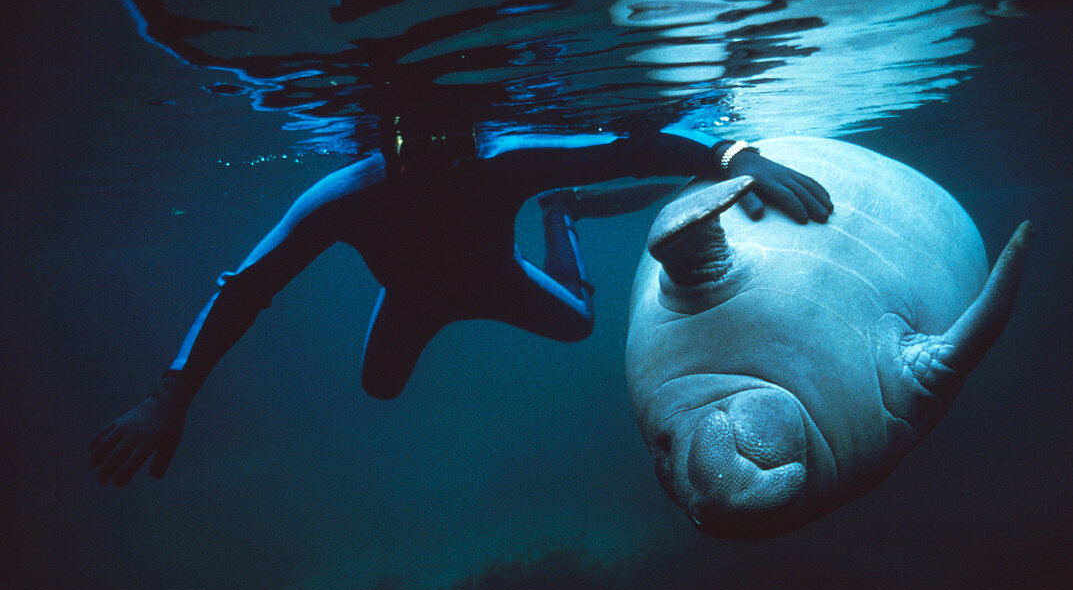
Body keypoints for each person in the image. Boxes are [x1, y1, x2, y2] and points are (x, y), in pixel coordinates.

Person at [88, 118, 832, 486]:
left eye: (450, 135)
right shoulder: (348, 196)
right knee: (379, 386)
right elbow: (246, 288)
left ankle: (559, 214)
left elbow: (632, 143)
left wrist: (736, 154)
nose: (441, 154)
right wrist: (170, 394)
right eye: (419, 137)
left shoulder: (495, 162)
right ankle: (561, 212)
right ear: (389, 138)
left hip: (486, 276)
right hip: (421, 292)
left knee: (578, 325)